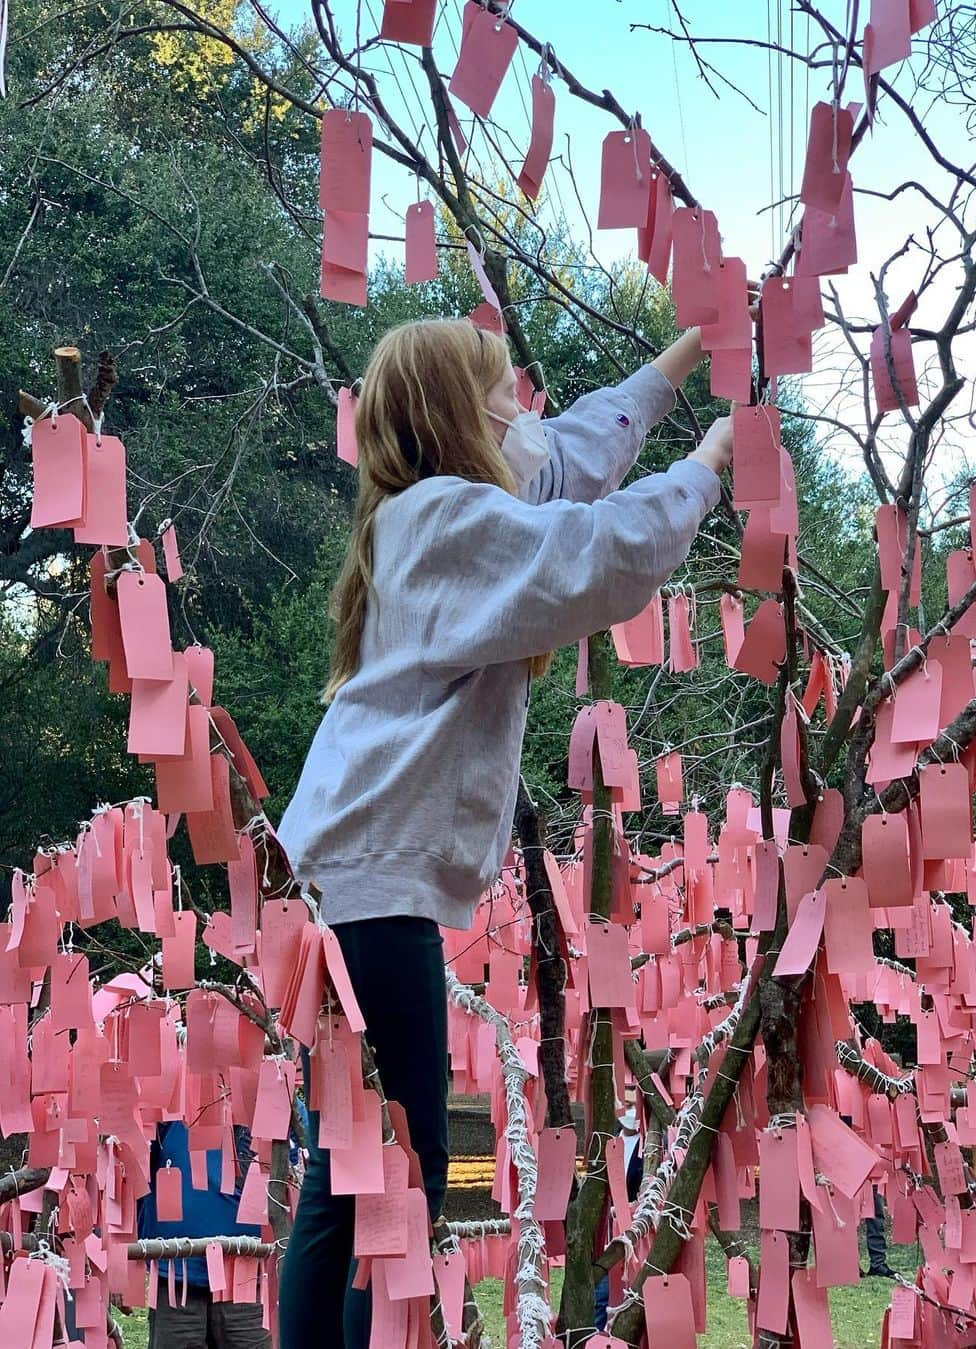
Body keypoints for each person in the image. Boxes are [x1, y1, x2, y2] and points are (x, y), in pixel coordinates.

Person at [274, 317, 738, 1349]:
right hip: (368, 882)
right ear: (460, 414)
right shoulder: (447, 523)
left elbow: (568, 453)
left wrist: (684, 356)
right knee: (403, 1162)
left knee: (351, 1166)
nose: (521, 408)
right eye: (503, 393)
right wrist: (709, 466)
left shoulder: (431, 516)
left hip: (344, 873)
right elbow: (598, 553)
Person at [137, 1121, 271, 1349]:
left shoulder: (267, 1092)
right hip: (176, 1277)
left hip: (248, 1277)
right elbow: (129, 1173)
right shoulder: (164, 1103)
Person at [594, 1107, 645, 1329]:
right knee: (601, 1293)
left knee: (628, 1291)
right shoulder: (608, 1141)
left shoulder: (652, 1146)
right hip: (606, 1231)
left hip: (635, 1231)